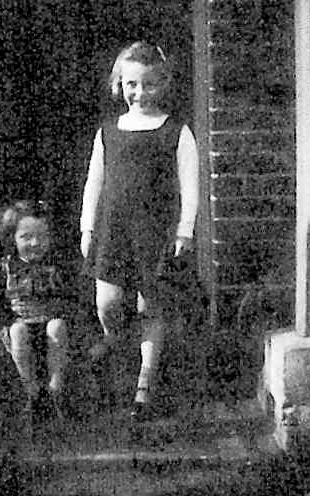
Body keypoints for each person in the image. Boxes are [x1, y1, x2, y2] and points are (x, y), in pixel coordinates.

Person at [80, 41, 199, 421]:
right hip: (114, 230)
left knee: (151, 306)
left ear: (161, 85)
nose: (139, 93)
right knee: (108, 303)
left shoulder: (176, 131)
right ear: (120, 84)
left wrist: (184, 231)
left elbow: (190, 186)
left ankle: (144, 384)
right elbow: (94, 182)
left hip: (156, 231)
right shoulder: (108, 132)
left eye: (148, 85)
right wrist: (87, 227)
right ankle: (116, 341)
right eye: (131, 84)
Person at [0, 200, 69, 422]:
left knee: (57, 326)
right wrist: (4, 325)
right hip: (19, 326)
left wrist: (63, 313)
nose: (35, 243)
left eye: (42, 237)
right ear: (12, 239)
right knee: (18, 332)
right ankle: (30, 391)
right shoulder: (4, 269)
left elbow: (70, 299)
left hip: (50, 324)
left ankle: (55, 391)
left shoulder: (56, 267)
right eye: (26, 237)